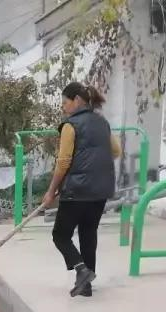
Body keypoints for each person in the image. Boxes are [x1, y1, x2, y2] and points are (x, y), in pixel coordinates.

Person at [43, 82, 120, 299]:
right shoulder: (102, 123)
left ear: (77, 100)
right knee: (88, 233)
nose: (63, 108)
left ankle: (81, 270)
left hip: (77, 190)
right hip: (100, 190)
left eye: (65, 103)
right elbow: (116, 151)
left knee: (60, 234)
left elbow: (64, 161)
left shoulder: (71, 126)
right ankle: (86, 286)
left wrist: (51, 191)